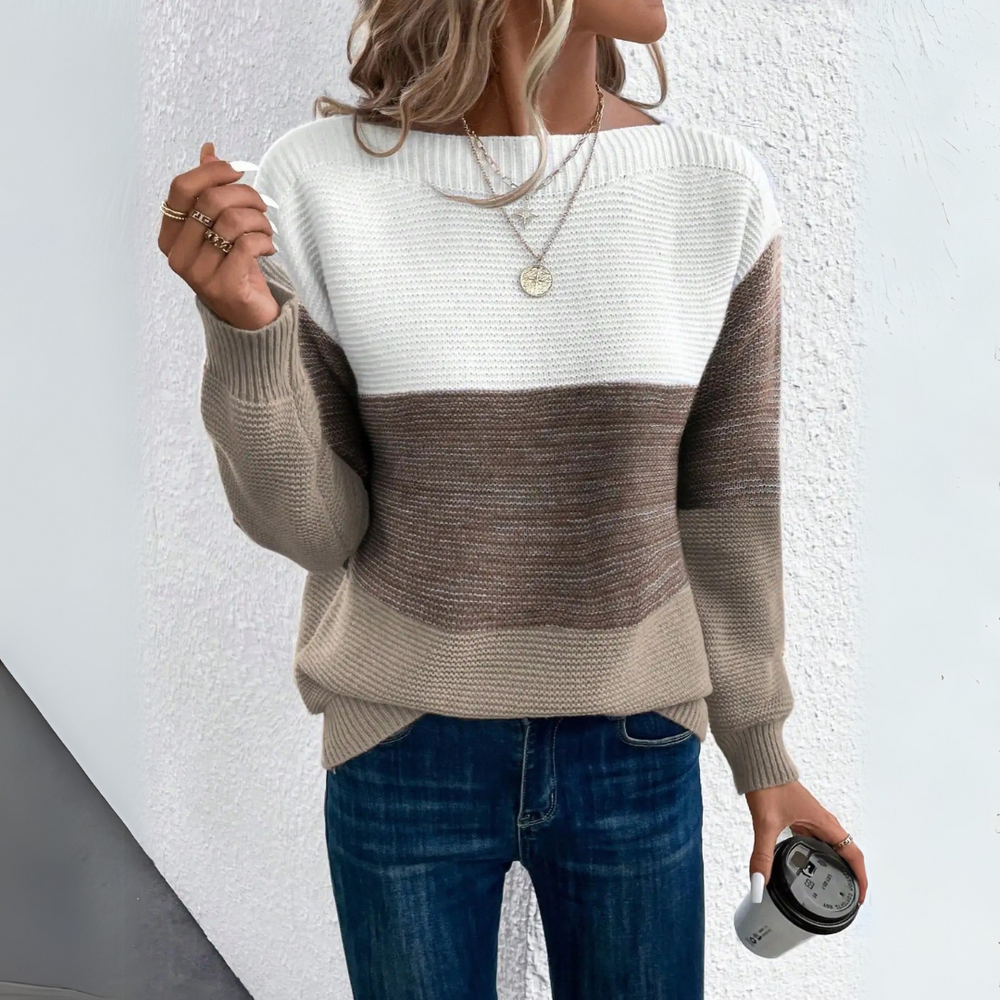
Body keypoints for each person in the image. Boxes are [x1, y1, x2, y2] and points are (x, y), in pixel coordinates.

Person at [158, 0, 867, 995]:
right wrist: (243, 330)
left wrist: (765, 756)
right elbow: (317, 529)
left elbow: (726, 507)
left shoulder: (713, 189)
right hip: (402, 742)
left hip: (635, 744)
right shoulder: (315, 185)